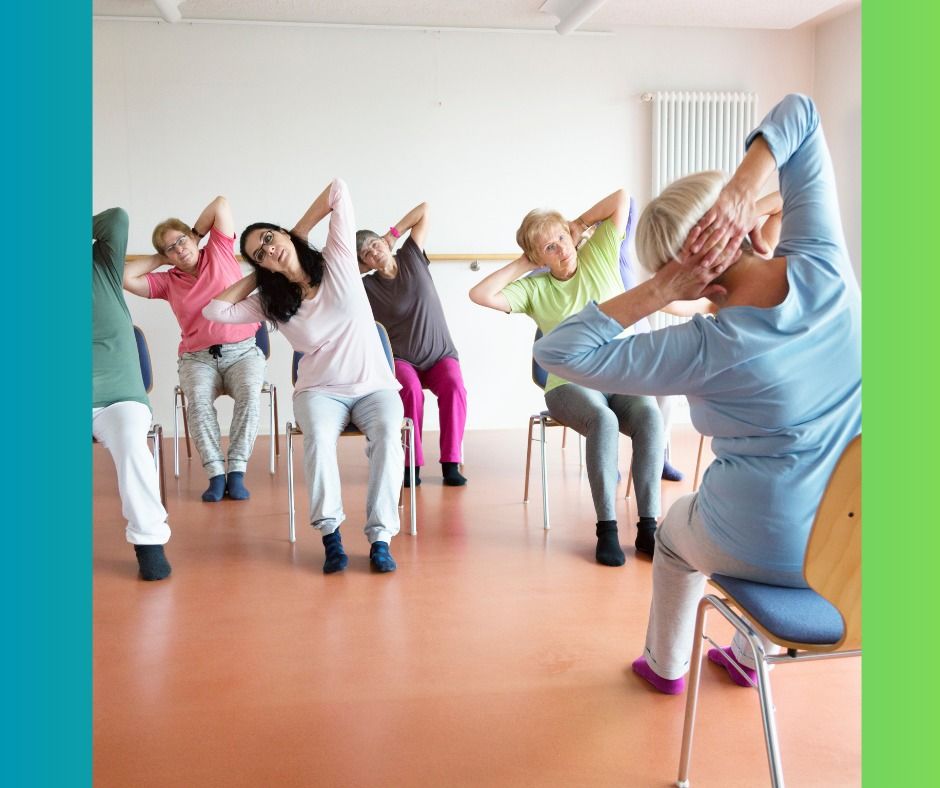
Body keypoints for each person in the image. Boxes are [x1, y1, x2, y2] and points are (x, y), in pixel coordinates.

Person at [533, 94, 860, 693]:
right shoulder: (825, 267)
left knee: (677, 534)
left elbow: (557, 354)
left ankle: (664, 666)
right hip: (858, 538)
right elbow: (804, 116)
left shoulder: (702, 348)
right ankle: (743, 653)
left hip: (769, 542)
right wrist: (743, 186)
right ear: (741, 222)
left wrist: (658, 291)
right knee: (786, 500)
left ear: (687, 276)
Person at [203, 178, 403, 574]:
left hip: (374, 387)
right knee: (319, 439)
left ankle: (380, 538)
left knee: (387, 436)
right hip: (319, 392)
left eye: (268, 239)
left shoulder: (339, 259)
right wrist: (260, 275)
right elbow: (215, 311)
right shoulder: (269, 301)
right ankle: (331, 537)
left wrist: (298, 232)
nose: (269, 249)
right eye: (259, 253)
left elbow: (339, 190)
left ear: (281, 232)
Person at [469, 189, 665, 564]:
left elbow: (621, 198)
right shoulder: (534, 288)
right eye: (548, 248)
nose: (560, 249)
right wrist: (523, 265)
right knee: (603, 421)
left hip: (619, 377)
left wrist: (578, 224)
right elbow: (480, 293)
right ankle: (606, 528)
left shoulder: (600, 254)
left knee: (651, 418)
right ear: (536, 258)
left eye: (561, 238)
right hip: (568, 385)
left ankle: (647, 527)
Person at [123, 197, 266, 503]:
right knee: (198, 405)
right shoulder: (167, 282)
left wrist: (197, 236)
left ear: (192, 237)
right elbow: (125, 278)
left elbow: (221, 205)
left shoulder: (219, 252)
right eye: (170, 248)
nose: (179, 249)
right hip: (198, 358)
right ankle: (216, 474)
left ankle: (237, 471)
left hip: (242, 352)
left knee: (250, 396)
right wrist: (161, 259)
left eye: (182, 241)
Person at [356, 202, 468, 488]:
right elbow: (336, 275)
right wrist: (360, 263)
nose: (372, 251)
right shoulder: (367, 287)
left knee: (454, 386)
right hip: (403, 360)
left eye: (373, 244)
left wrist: (391, 236)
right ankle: (410, 465)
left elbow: (424, 210)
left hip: (440, 354)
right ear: (363, 263)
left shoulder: (411, 256)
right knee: (410, 392)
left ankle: (451, 463)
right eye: (365, 253)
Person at [93, 207, 172, 581]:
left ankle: (149, 544)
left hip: (119, 398)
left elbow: (117, 219)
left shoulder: (103, 265)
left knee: (131, 443)